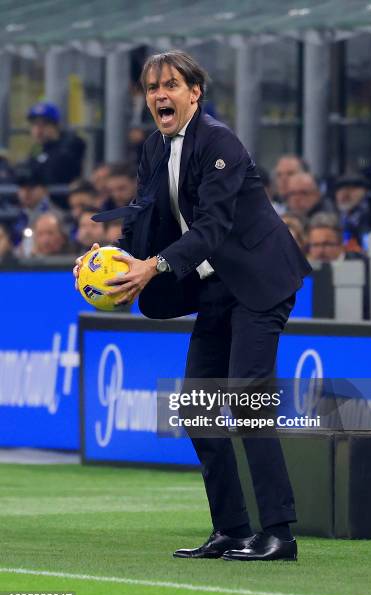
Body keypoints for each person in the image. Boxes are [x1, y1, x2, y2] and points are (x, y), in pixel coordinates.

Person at [75, 50, 311, 562]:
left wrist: (154, 266)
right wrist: (114, 257)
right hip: (216, 289)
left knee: (247, 404)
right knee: (198, 408)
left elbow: (214, 227)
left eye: (171, 85)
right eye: (152, 87)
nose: (160, 94)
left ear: (194, 92)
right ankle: (231, 529)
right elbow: (142, 215)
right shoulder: (154, 149)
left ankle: (279, 534)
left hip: (260, 280)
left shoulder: (219, 141)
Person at [25, 102, 86, 185]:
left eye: (43, 125)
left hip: (63, 196)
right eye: (34, 125)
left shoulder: (70, 144)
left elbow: (53, 174)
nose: (38, 131)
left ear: (55, 126)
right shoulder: (37, 148)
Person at [333, 173, 371, 250]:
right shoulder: (334, 216)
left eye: (351, 189)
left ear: (364, 191)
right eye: (340, 190)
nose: (344, 194)